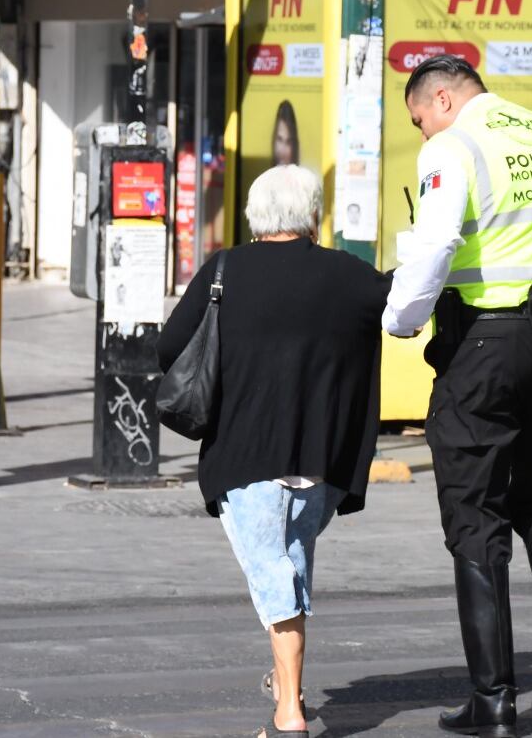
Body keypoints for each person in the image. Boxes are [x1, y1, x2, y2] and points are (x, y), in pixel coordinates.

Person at [384, 54, 532, 737]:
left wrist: (400, 317)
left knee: (475, 515)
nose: (422, 135)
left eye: (419, 121)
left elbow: (440, 237)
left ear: (441, 99)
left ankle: (496, 701)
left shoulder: (456, 145)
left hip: (489, 343)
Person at [157, 165, 390, 738]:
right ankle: (288, 681)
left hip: (247, 451)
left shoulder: (226, 269)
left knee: (273, 573)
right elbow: (401, 307)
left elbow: (170, 348)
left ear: (255, 216)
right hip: (325, 456)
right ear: (313, 215)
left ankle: (290, 714)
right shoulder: (348, 273)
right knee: (289, 558)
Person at [272, 100, 300, 165]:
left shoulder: (302, 174)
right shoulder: (267, 175)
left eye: (288, 142)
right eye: (279, 140)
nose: (283, 151)